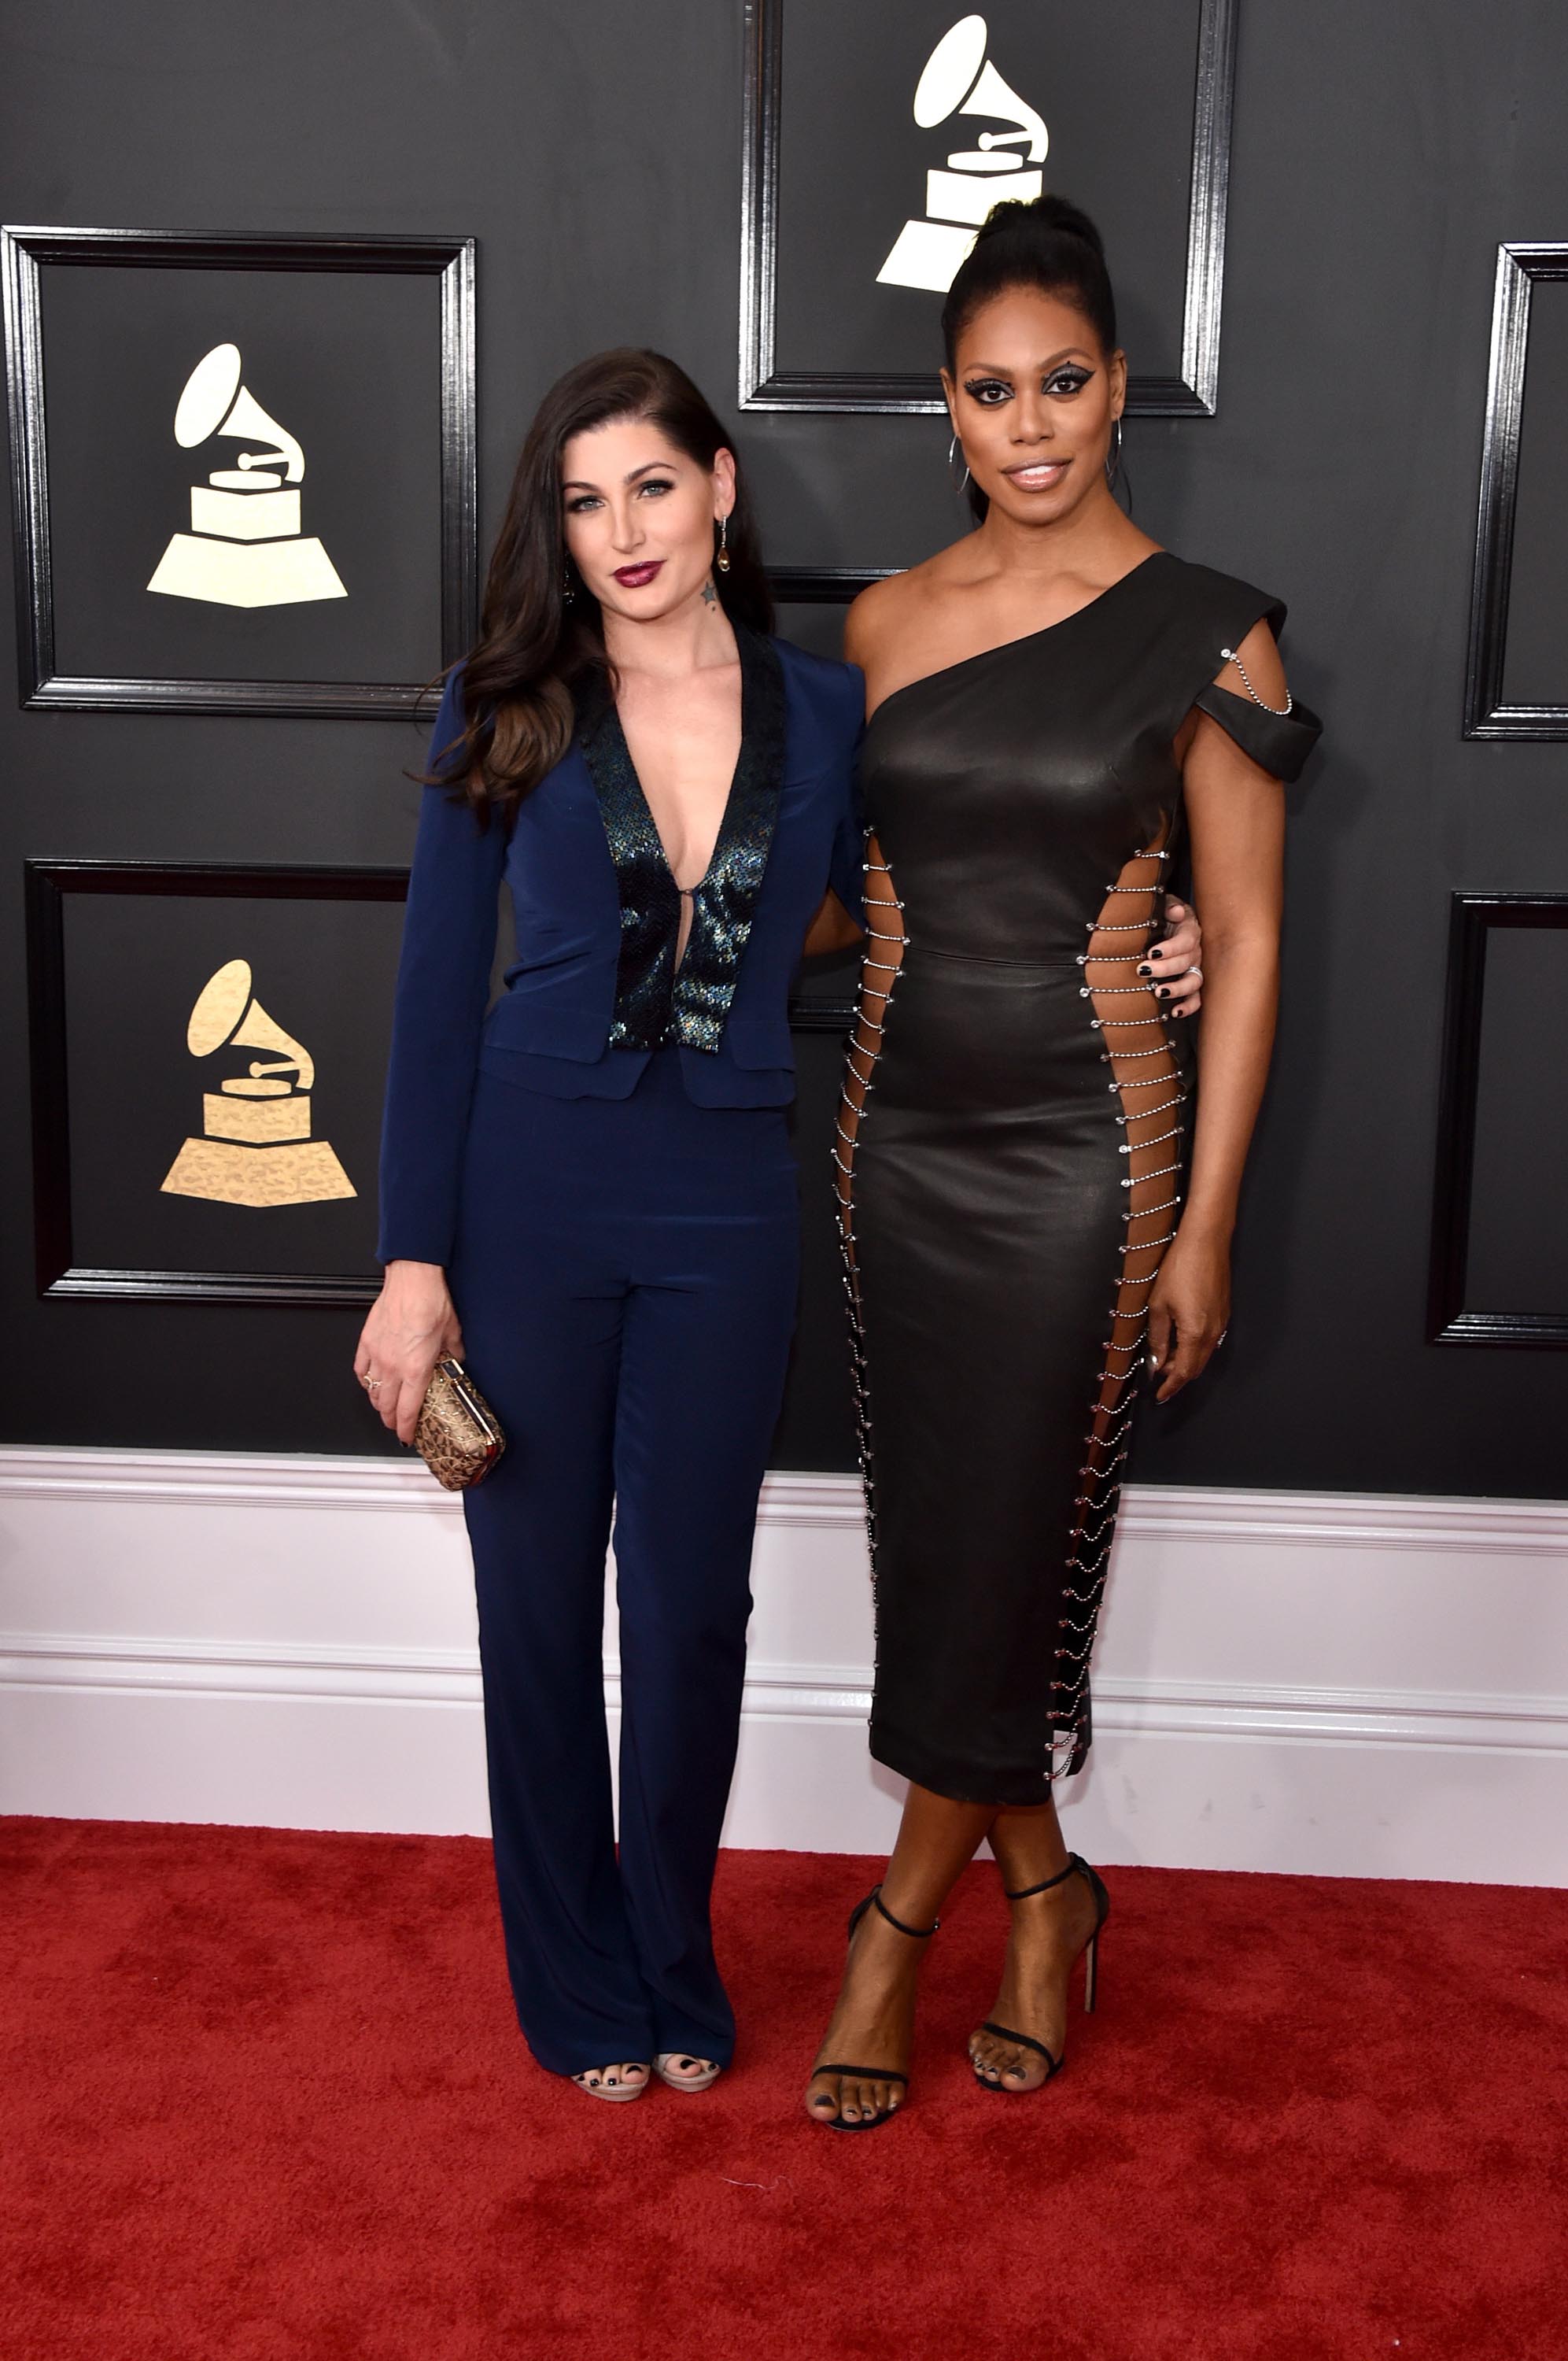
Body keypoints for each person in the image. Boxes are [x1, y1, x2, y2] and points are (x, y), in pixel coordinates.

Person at [357, 345, 1205, 2106]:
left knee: (687, 1610)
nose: (620, 532)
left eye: (650, 487)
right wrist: (412, 1266)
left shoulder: (828, 710)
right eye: (582, 503)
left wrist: (1154, 934)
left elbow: (950, 878)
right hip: (526, 1196)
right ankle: (576, 1979)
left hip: (727, 1200)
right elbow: (436, 998)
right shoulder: (495, 699)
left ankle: (677, 1955)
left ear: (721, 485)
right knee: (532, 1607)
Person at [804, 195, 1322, 2130]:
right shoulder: (878, 625)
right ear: (945, 408)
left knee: (1016, 1542)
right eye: (990, 390)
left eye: (1067, 382)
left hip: (1089, 1157)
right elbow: (866, 905)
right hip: (893, 1144)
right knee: (951, 1550)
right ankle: (1049, 1889)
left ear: (1122, 392)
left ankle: (892, 1929)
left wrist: (1207, 1233)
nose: (1031, 424)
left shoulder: (1215, 630)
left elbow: (1251, 940)